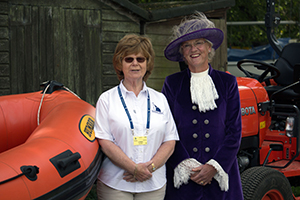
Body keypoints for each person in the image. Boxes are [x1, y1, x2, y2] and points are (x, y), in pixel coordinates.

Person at [162, 12, 244, 200]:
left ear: (209, 47)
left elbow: (234, 132)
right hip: (184, 181)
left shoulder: (227, 82)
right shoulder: (172, 83)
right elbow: (167, 129)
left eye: (198, 43)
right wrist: (186, 166)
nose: (193, 49)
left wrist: (213, 167)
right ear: (182, 53)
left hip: (220, 177)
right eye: (187, 46)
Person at [94, 34, 179, 200]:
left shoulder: (160, 99)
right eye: (129, 59)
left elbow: (170, 140)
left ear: (147, 64)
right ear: (120, 63)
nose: (135, 63)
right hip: (116, 183)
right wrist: (134, 168)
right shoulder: (106, 99)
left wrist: (149, 168)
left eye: (140, 59)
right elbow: (104, 141)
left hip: (152, 183)